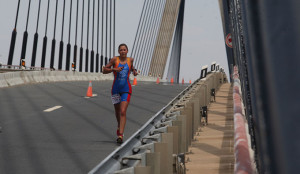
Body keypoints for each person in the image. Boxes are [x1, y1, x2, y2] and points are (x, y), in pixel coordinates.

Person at [103, 43, 138, 144]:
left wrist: (134, 72)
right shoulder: (115, 60)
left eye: (124, 50)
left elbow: (132, 68)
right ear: (119, 51)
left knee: (123, 111)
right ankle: (119, 126)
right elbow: (104, 70)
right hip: (115, 90)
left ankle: (120, 135)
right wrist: (114, 69)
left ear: (127, 51)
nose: (123, 51)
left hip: (126, 89)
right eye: (121, 50)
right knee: (118, 112)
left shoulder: (130, 60)